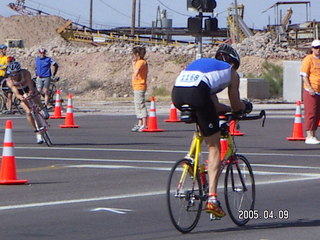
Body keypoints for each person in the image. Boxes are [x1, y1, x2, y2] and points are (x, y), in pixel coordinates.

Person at [172, 44, 252, 218]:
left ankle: (191, 159)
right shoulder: (231, 72)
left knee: (204, 123)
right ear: (233, 63)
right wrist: (242, 108)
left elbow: (214, 105)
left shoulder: (205, 66)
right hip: (197, 93)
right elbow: (236, 103)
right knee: (214, 147)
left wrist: (225, 108)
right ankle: (213, 199)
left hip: (177, 93)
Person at [6, 61, 49, 144]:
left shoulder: (25, 73)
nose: (13, 76)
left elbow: (31, 87)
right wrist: (22, 98)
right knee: (28, 112)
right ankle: (37, 133)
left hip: (28, 89)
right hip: (21, 94)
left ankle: (42, 108)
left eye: (15, 74)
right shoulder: (9, 81)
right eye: (11, 74)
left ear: (19, 72)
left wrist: (30, 93)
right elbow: (16, 94)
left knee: (35, 97)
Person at [300, 39, 320, 144]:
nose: (318, 50)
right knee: (311, 113)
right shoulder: (308, 59)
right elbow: (304, 75)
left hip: (319, 90)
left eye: (319, 47)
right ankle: (309, 135)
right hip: (311, 90)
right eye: (316, 48)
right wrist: (310, 88)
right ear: (312, 48)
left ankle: (314, 134)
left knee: (317, 114)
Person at [131, 46, 148, 132]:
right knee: (137, 105)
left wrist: (134, 75)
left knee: (140, 104)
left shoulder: (140, 62)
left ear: (137, 54)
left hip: (139, 86)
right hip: (138, 86)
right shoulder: (140, 62)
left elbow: (136, 71)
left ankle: (144, 124)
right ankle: (140, 123)